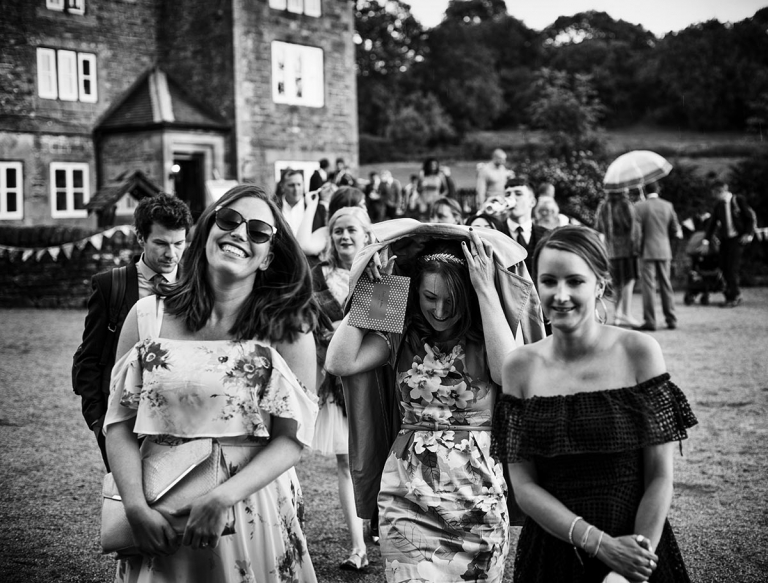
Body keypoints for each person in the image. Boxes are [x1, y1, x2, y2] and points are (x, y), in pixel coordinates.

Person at [104, 185, 319, 582]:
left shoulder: (290, 328)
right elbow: (117, 421)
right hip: (158, 506)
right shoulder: (146, 316)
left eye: (257, 231)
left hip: (251, 511)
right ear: (207, 230)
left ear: (269, 256)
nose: (240, 233)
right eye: (230, 220)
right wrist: (134, 505)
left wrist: (222, 498)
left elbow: (293, 439)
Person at [493, 225, 697, 583]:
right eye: (549, 281)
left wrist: (633, 563)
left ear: (600, 284)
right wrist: (602, 546)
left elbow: (660, 475)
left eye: (575, 281)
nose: (560, 294)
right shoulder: (519, 366)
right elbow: (523, 485)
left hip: (637, 546)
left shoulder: (639, 352)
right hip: (555, 550)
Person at [326, 228, 524, 582]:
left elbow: (510, 378)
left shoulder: (491, 335)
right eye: (430, 297)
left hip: (477, 498)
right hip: (406, 497)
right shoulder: (402, 337)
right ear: (414, 291)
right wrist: (373, 294)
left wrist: (485, 289)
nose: (440, 310)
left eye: (452, 299)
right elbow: (340, 363)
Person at [72, 193, 192, 470]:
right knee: (128, 505)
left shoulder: (197, 285)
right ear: (140, 238)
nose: (171, 254)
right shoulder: (110, 286)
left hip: (183, 417)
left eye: (179, 244)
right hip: (125, 420)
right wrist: (98, 422)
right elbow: (88, 360)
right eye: (161, 243)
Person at [311, 207, 374, 570]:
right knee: (347, 463)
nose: (345, 237)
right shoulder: (318, 278)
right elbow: (307, 327)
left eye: (351, 230)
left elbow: (388, 325)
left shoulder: (380, 273)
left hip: (371, 376)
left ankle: (381, 523)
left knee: (378, 458)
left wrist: (345, 335)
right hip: (335, 382)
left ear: (365, 234)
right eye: (338, 232)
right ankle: (357, 546)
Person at [634, 182, 683, 330]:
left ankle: (650, 321)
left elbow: (636, 233)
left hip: (646, 250)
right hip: (664, 249)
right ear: (659, 189)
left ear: (644, 190)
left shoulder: (639, 206)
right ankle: (671, 319)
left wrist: (637, 249)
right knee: (666, 284)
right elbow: (675, 229)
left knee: (648, 286)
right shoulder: (668, 205)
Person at [703, 179, 756, 307]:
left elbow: (750, 218)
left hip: (736, 239)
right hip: (725, 240)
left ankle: (734, 296)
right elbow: (712, 223)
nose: (713, 195)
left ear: (720, 191)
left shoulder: (737, 200)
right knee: (723, 266)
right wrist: (706, 240)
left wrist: (748, 234)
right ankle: (731, 293)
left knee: (732, 268)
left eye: (714, 193)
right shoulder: (719, 205)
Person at [594, 190, 642, 329]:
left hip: (610, 251)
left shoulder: (603, 206)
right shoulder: (626, 205)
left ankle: (617, 315)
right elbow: (632, 226)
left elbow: (598, 227)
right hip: (626, 249)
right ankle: (626, 313)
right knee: (628, 280)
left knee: (616, 284)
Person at [295, 186, 366, 258]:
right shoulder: (326, 232)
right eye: (362, 204)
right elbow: (303, 246)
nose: (365, 208)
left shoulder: (370, 230)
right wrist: (311, 206)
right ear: (349, 208)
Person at [503, 178, 550, 278]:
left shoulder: (547, 235)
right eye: (507, 195)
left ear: (532, 202)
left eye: (518, 194)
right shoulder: (494, 232)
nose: (511, 198)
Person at [278, 168, 327, 236]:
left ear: (303, 185)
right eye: (291, 185)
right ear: (282, 186)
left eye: (299, 184)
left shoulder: (317, 209)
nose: (296, 189)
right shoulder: (274, 208)